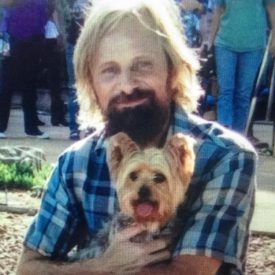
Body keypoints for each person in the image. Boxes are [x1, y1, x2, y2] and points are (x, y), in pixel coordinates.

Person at [17, 0, 257, 274]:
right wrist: (103, 265)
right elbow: (28, 268)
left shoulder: (226, 157)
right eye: (110, 70)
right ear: (91, 84)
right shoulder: (75, 164)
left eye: (142, 65)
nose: (128, 85)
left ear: (173, 70)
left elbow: (188, 272)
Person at [207, 0, 275, 133]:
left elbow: (272, 8)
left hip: (253, 45)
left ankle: (238, 138)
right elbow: (218, 10)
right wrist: (210, 42)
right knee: (226, 91)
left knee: (243, 94)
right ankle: (224, 137)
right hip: (225, 43)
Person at [0, 0, 49, 139]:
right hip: (13, 35)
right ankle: (0, 126)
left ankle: (32, 128)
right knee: (6, 84)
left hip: (35, 37)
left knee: (30, 84)